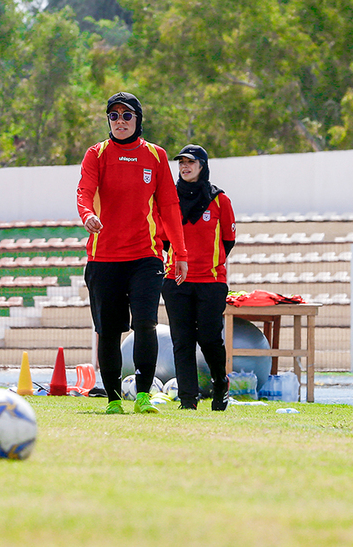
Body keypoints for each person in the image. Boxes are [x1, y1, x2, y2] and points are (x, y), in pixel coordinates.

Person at [76, 91, 189, 415]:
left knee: (145, 323)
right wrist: (88, 216)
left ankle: (142, 396)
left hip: (146, 256)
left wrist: (179, 253)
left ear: (138, 120)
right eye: (114, 116)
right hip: (104, 258)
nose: (120, 121)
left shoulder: (155, 156)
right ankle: (113, 399)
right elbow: (84, 192)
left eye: (127, 116)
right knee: (109, 331)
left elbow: (169, 206)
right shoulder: (96, 154)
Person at [162, 144, 236, 411]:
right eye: (181, 162)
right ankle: (188, 400)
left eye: (190, 162)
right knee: (182, 341)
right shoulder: (168, 198)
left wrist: (207, 263)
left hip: (211, 282)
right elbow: (162, 238)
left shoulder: (220, 200)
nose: (184, 167)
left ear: (202, 166)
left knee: (208, 339)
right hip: (175, 281)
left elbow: (228, 239)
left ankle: (220, 385)